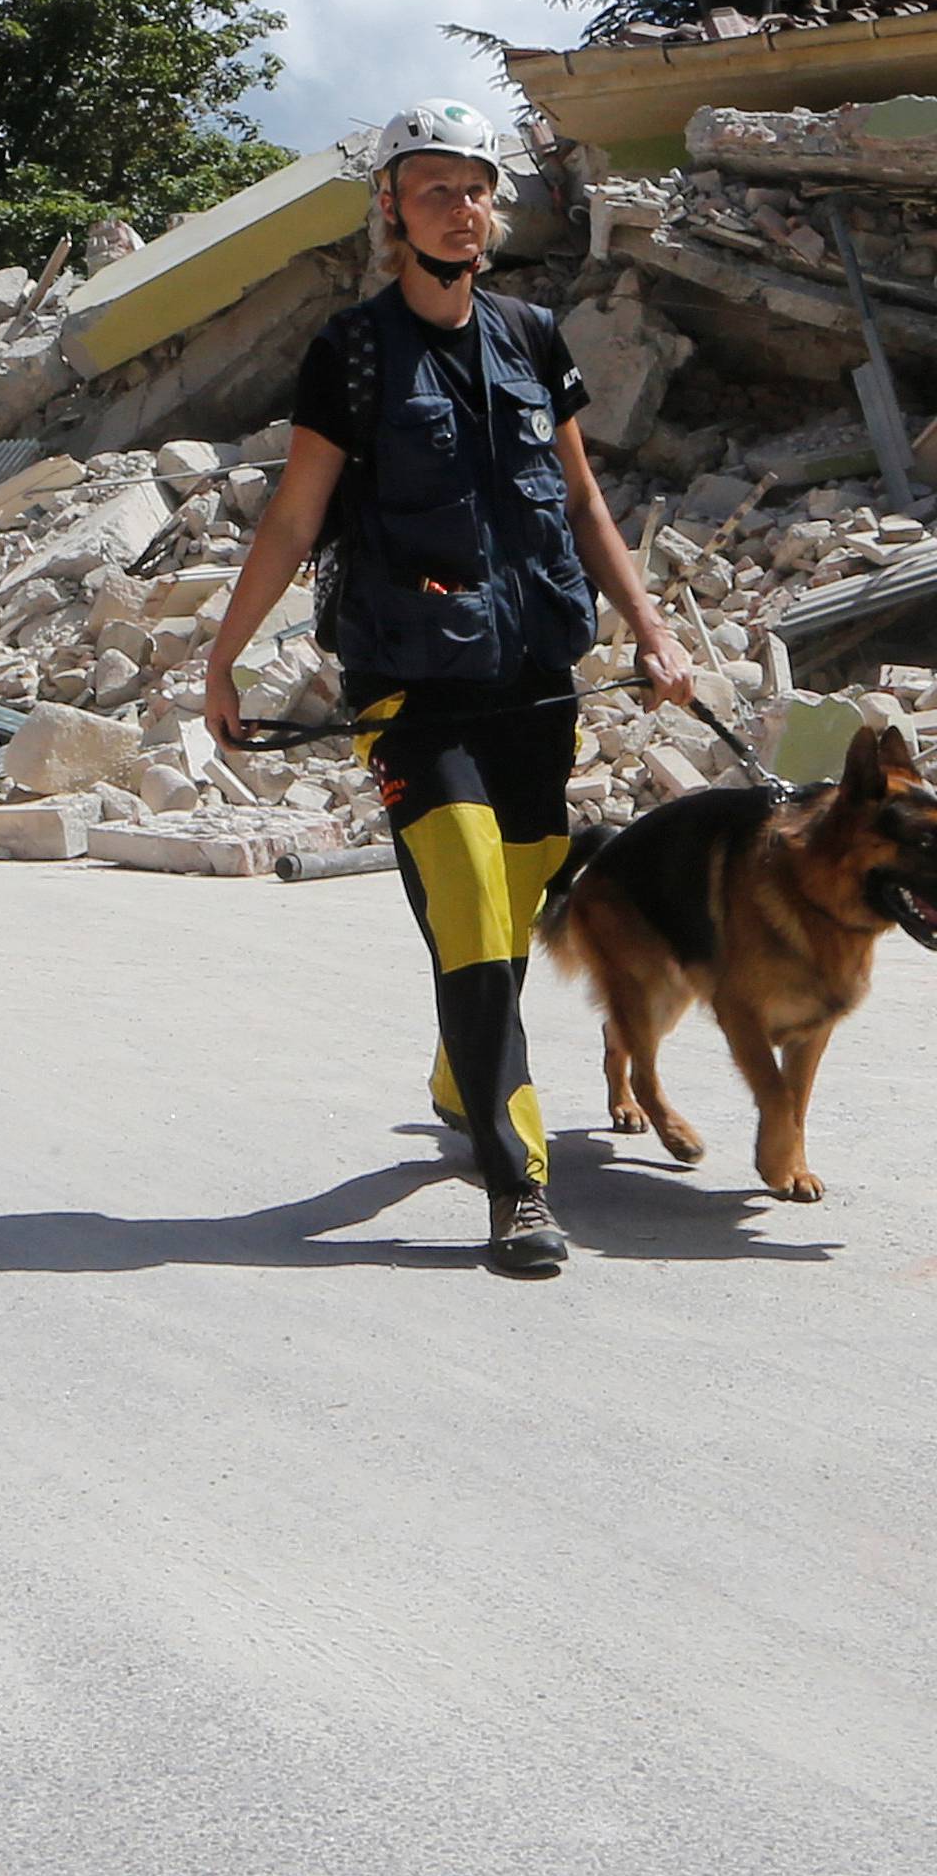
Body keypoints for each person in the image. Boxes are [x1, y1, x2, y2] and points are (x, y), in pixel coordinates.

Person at [204, 99, 693, 1276]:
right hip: (407, 679)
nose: (460, 209)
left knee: (518, 887)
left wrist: (652, 629)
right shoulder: (354, 351)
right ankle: (519, 1182)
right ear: (390, 205)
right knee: (473, 893)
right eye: (434, 188)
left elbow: (581, 503)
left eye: (475, 189)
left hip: (531, 673)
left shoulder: (532, 337)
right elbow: (296, 514)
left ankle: (457, 1060)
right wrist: (223, 653)